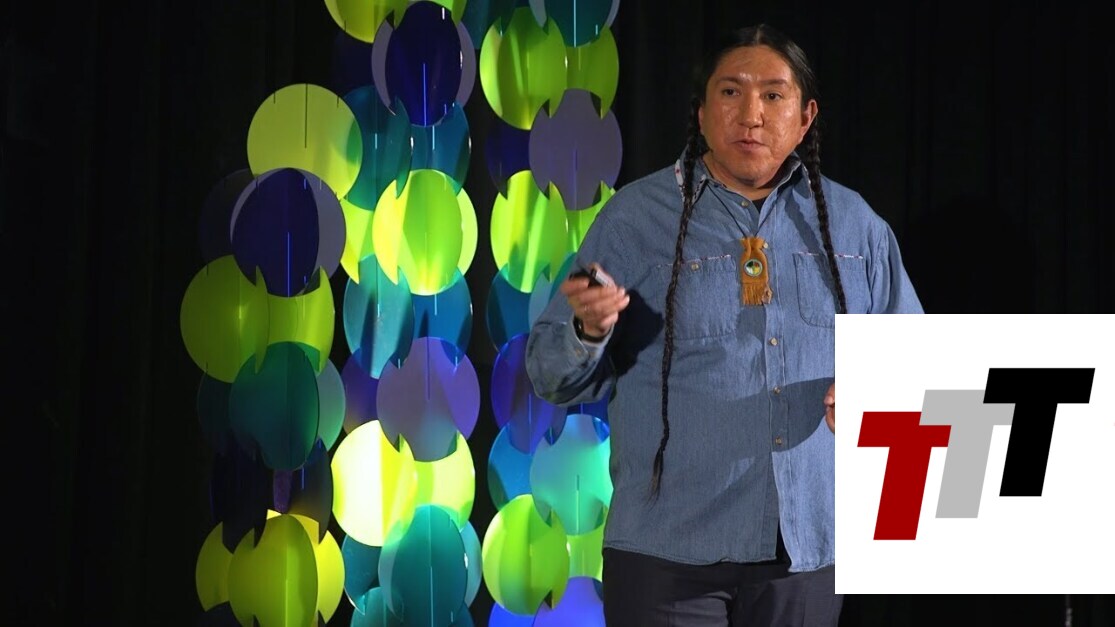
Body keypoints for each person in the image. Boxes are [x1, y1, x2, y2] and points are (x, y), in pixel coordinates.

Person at [524, 23, 923, 627]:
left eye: (773, 95)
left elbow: (915, 368)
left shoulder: (855, 225)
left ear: (806, 117)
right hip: (666, 555)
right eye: (732, 92)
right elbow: (549, 378)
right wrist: (588, 331)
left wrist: (877, 396)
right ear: (703, 112)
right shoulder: (635, 219)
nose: (751, 115)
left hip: (807, 553)